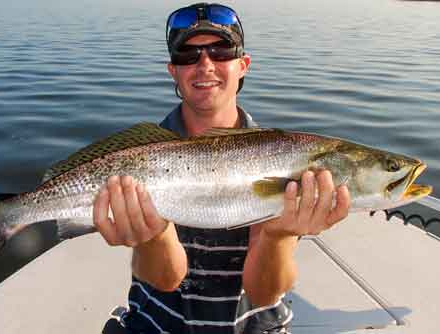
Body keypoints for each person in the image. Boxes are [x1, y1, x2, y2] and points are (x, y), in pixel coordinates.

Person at [93, 3, 351, 334]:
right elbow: (166, 279)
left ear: (243, 65)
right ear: (173, 70)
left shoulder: (282, 157)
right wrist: (153, 235)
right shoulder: (140, 157)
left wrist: (278, 233)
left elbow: (263, 292)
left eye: (221, 51)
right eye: (188, 55)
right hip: (156, 325)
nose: (205, 65)